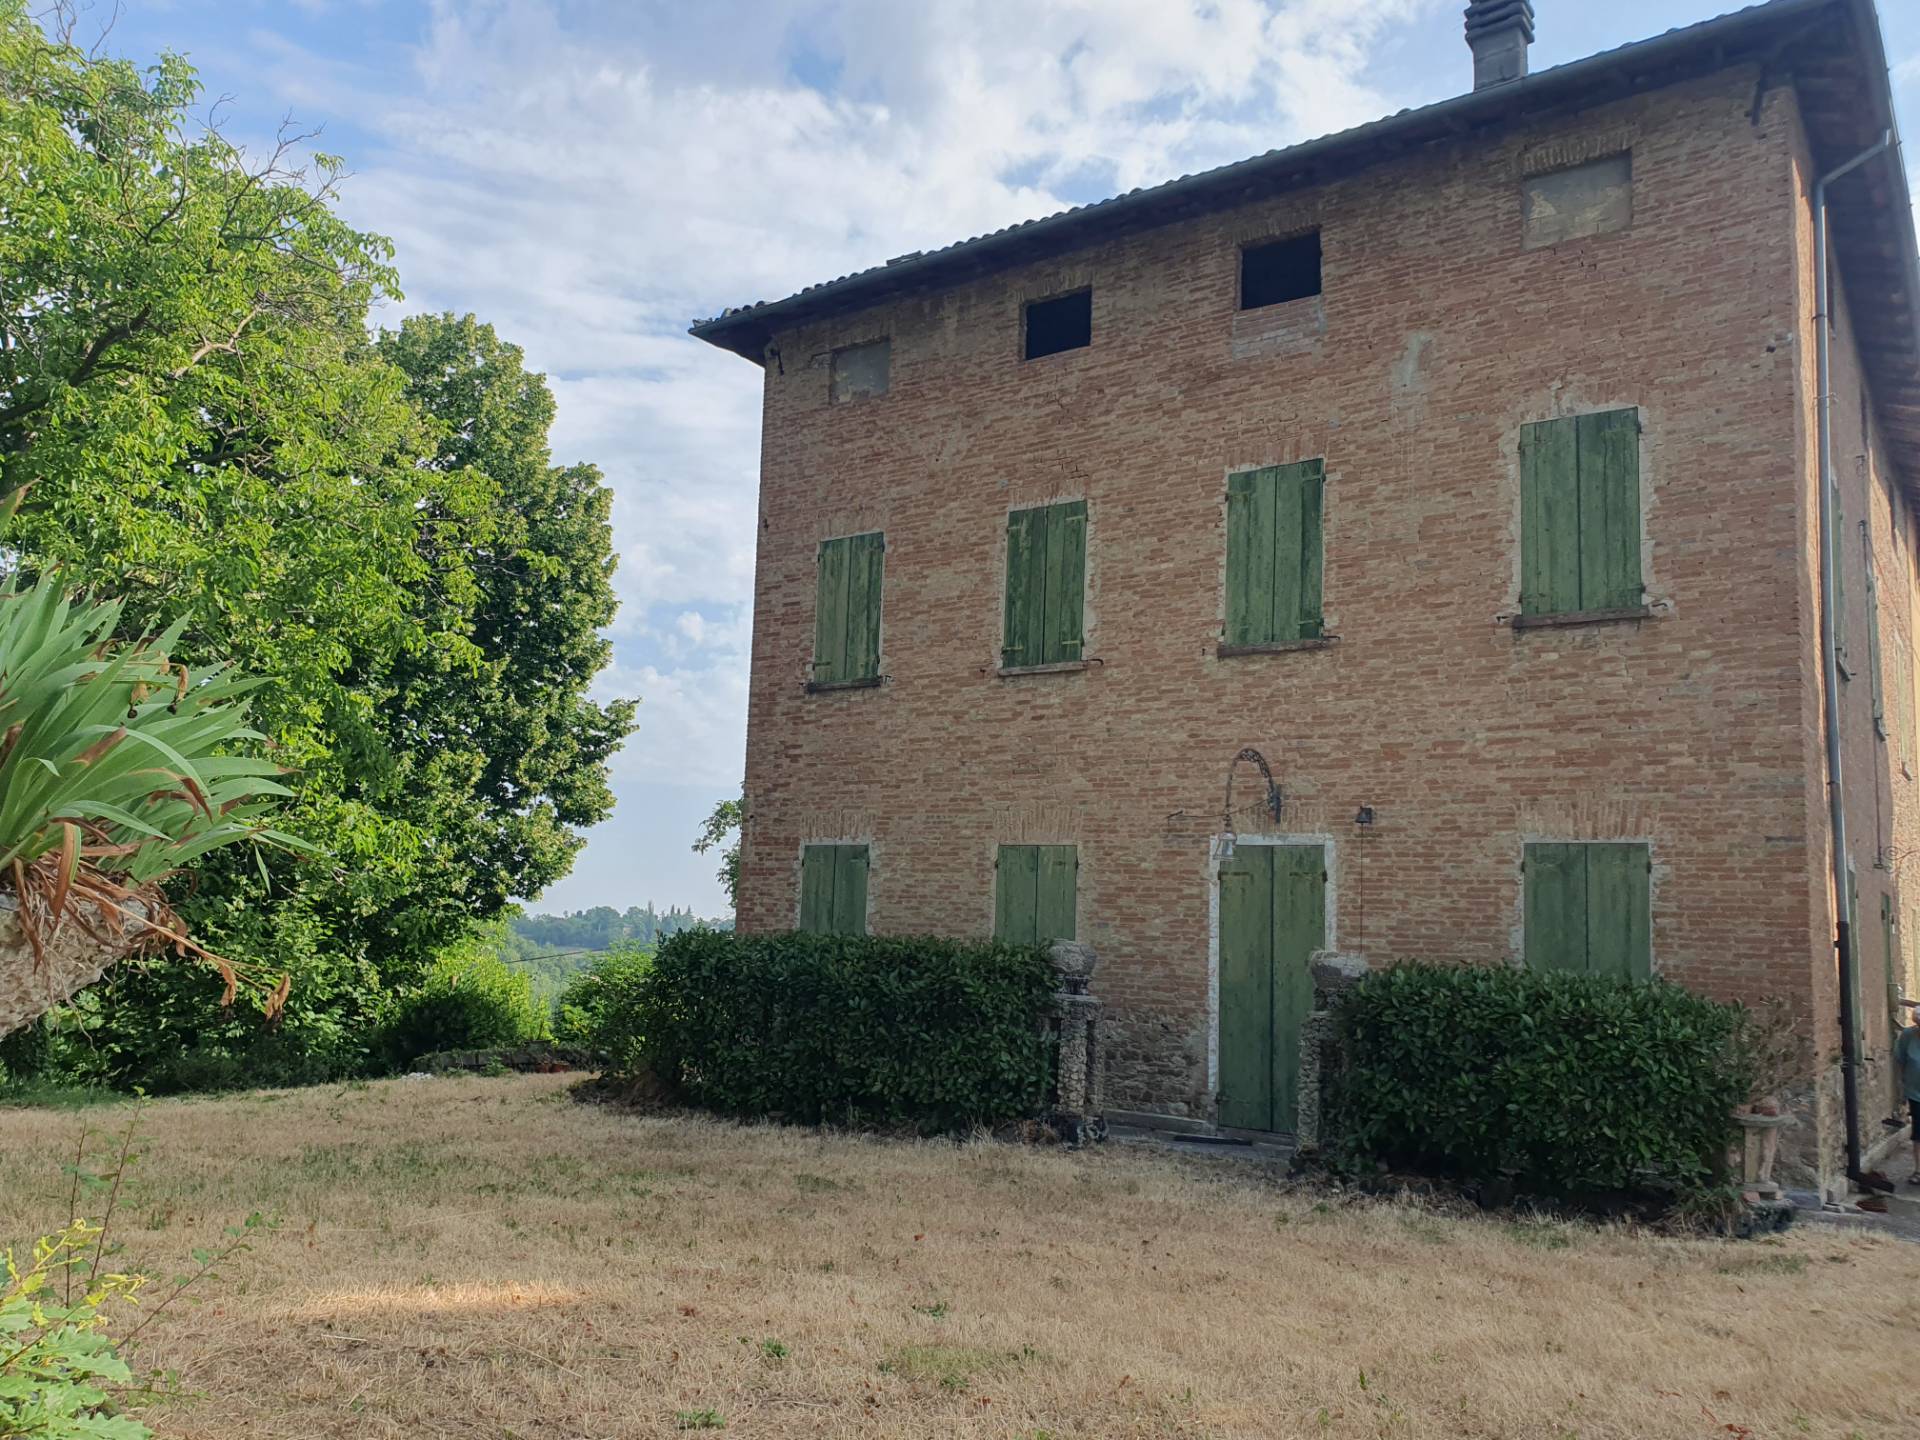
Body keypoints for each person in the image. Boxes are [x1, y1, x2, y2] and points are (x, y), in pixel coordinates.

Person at [1899, 999, 1920, 1185]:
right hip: (1916, 1093)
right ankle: (1918, 1171)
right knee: (1919, 1133)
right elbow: (1901, 1060)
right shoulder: (1908, 1036)